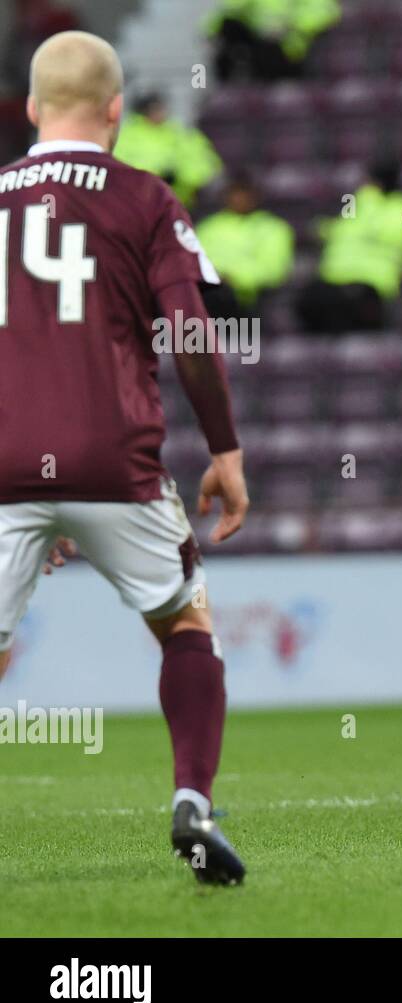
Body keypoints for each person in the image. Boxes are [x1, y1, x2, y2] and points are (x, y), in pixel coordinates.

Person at [0, 32, 250, 884]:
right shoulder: (144, 197)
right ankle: (192, 803)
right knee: (185, 623)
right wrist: (225, 449)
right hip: (116, 460)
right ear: (115, 110)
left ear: (31, 108)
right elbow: (188, 335)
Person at [298, 161, 402, 334]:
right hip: (333, 278)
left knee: (350, 309)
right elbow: (341, 227)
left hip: (373, 283)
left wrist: (370, 200)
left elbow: (394, 235)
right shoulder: (354, 202)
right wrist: (321, 229)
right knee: (308, 301)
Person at [196, 173, 295, 315]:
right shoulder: (208, 227)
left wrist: (232, 278)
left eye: (244, 194)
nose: (239, 199)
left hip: (248, 297)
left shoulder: (274, 228)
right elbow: (194, 261)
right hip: (208, 289)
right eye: (235, 193)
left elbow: (274, 271)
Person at [112, 92, 223, 208]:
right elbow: (120, 170)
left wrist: (180, 175)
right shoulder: (126, 136)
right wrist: (159, 174)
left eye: (160, 108)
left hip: (181, 202)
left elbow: (206, 163)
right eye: (153, 109)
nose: (159, 112)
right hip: (140, 205)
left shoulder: (179, 132)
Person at [206, 0, 342, 83]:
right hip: (259, 39)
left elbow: (326, 12)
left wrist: (288, 26)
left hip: (289, 48)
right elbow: (230, 9)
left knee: (268, 48)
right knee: (228, 26)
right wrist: (211, 32)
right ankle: (223, 85)